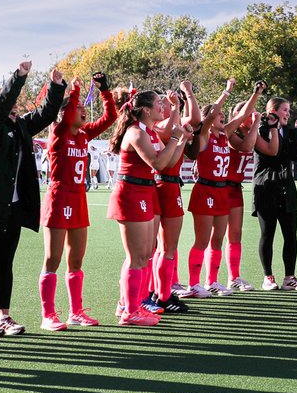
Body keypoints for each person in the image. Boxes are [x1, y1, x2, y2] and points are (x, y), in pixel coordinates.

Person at [0, 61, 66, 337]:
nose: (15, 107)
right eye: (11, 103)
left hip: (11, 207)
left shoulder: (18, 126)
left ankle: (3, 316)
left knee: (5, 262)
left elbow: (45, 115)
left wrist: (55, 87)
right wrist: (18, 78)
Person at [36, 72, 114, 330]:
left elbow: (110, 118)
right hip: (58, 198)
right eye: (78, 109)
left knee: (76, 261)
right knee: (53, 259)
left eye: (83, 108)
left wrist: (105, 91)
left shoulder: (83, 135)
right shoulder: (58, 134)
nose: (83, 112)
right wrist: (75, 92)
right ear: (64, 114)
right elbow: (68, 114)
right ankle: (48, 315)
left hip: (79, 198)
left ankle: (76, 312)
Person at [108, 90, 191, 326]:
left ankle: (133, 304)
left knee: (145, 254)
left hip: (144, 191)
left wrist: (181, 139)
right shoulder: (135, 132)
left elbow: (169, 163)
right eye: (157, 103)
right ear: (145, 109)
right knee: (136, 256)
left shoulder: (149, 131)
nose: (162, 106)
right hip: (131, 193)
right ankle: (128, 310)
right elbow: (157, 163)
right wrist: (175, 138)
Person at [185, 99, 252, 298]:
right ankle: (193, 283)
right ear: (210, 118)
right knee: (202, 240)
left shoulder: (225, 134)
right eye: (219, 114)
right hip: (205, 189)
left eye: (223, 114)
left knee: (218, 240)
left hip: (222, 191)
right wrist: (226, 92)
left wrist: (256, 94)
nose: (223, 116)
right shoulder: (204, 135)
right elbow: (211, 115)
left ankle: (211, 281)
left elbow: (242, 114)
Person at [152, 82, 204, 306]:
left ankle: (162, 290)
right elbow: (184, 122)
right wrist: (178, 104)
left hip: (170, 184)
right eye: (160, 102)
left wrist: (188, 95)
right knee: (161, 247)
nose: (164, 104)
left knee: (165, 247)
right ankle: (159, 292)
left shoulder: (169, 123)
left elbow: (195, 119)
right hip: (163, 184)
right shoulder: (157, 125)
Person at [253, 96, 297, 291]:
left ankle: (289, 277)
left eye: (288, 109)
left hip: (287, 186)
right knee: (267, 233)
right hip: (267, 187)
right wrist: (272, 127)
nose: (288, 113)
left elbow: (294, 156)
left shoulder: (289, 130)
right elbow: (273, 153)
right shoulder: (261, 129)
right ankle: (268, 277)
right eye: (285, 109)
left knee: (290, 234)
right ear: (272, 111)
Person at [222, 81, 263, 292]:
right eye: (247, 113)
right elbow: (245, 146)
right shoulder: (229, 133)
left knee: (235, 235)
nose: (252, 116)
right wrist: (255, 124)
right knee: (215, 236)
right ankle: (210, 280)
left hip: (235, 188)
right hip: (221, 187)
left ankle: (233, 277)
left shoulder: (251, 132)